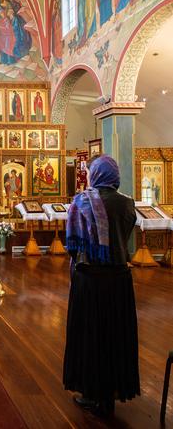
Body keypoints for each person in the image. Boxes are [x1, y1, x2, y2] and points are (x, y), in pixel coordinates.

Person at [64, 155, 139, 417]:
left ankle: (92, 391)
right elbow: (127, 239)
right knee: (115, 336)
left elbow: (72, 245)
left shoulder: (82, 201)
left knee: (90, 335)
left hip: (90, 281)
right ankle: (113, 391)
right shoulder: (128, 203)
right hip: (119, 281)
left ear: (95, 175)